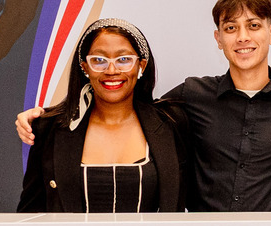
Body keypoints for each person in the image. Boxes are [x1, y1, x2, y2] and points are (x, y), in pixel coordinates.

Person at [18, 0, 271, 210]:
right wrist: (46, 116)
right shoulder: (191, 96)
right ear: (218, 39)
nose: (242, 37)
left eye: (253, 26)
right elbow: (123, 100)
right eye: (231, 28)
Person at [18, 18, 193, 212]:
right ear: (85, 67)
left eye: (123, 60)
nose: (111, 70)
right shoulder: (48, 128)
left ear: (141, 66)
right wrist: (45, 117)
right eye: (99, 60)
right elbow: (30, 214)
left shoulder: (172, 123)